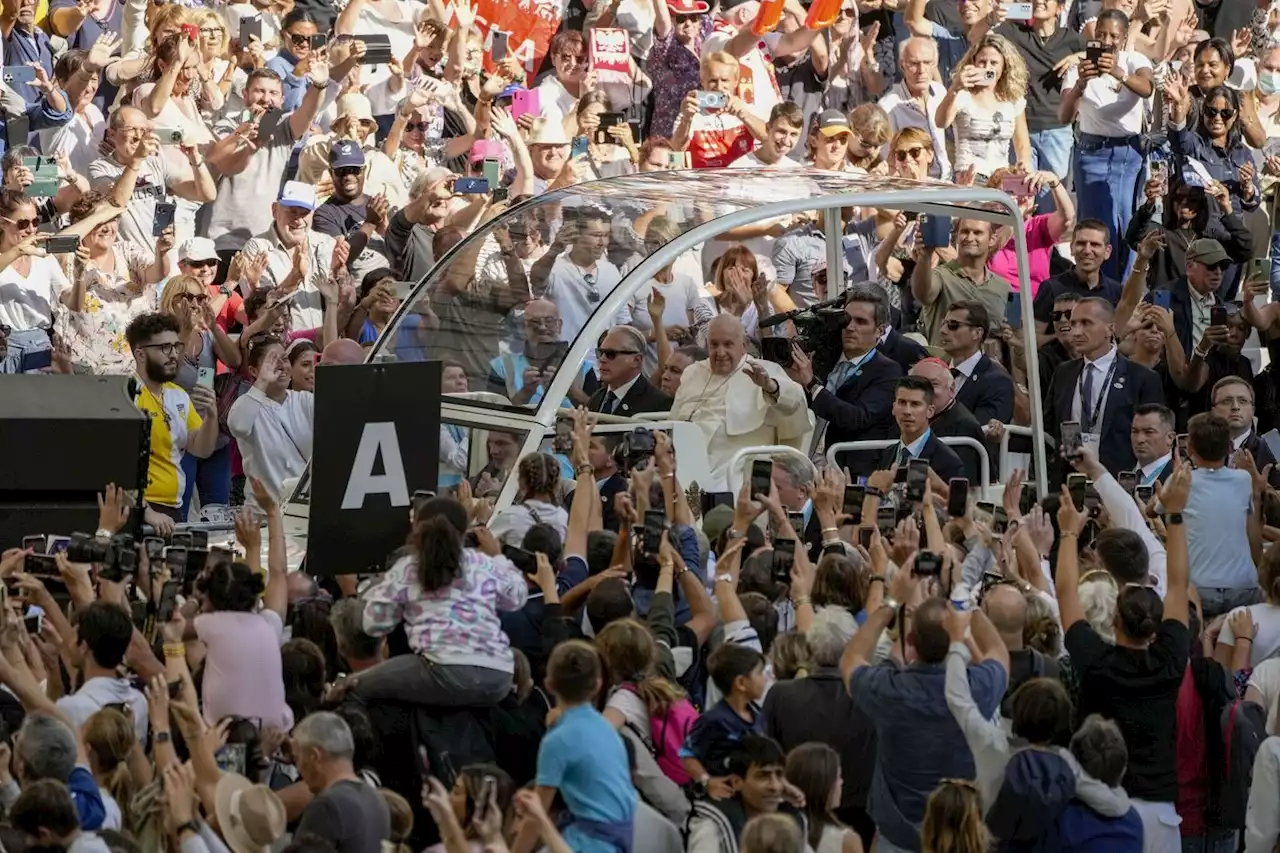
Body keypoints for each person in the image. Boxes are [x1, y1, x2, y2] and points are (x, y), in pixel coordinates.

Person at [1057, 454, 1192, 852]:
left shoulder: (1097, 662)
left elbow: (1066, 593)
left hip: (1101, 806)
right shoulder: (1171, 661)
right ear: (1157, 625)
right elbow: (1181, 586)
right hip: (1159, 813)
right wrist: (1176, 516)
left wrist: (1068, 534)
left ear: (1113, 617)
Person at [358, 496, 528, 707]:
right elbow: (518, 597)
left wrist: (386, 595)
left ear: (416, 529)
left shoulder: (408, 568)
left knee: (354, 688)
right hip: (498, 676)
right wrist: (498, 557)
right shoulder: (484, 563)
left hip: (443, 670)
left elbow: (373, 624)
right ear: (465, 531)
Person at [1057, 9, 1153, 279]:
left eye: (1113, 35)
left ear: (1123, 39)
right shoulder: (1079, 68)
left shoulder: (1134, 61)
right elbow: (1064, 115)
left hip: (1128, 155)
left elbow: (1147, 88)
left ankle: (1124, 290)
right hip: (1092, 154)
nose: (1106, 39)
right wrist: (1080, 85)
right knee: (1096, 225)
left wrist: (1116, 72)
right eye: (1101, 34)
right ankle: (1095, 286)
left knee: (1125, 223)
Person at [524, 640, 636, 853]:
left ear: (548, 685)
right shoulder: (609, 731)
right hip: (621, 840)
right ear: (597, 684)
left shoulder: (557, 740)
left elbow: (535, 814)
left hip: (590, 843)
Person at [670, 314, 810, 481]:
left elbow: (796, 402)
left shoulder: (764, 370)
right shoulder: (693, 372)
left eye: (728, 344)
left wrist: (770, 387)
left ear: (744, 345)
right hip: (687, 461)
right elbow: (674, 421)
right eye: (714, 345)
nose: (720, 353)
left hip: (739, 466)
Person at [785, 286, 901, 478]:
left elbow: (857, 418)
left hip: (844, 468)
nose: (850, 327)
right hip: (802, 457)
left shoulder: (888, 370)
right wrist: (787, 384)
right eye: (846, 319)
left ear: (879, 331)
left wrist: (812, 384)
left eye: (861, 322)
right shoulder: (823, 358)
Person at [1043, 297, 1164, 480]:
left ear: (1110, 328)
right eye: (1073, 324)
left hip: (1118, 482)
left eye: (1086, 323)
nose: (1076, 331)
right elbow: (1048, 425)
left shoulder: (1141, 378)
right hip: (1069, 481)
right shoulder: (1063, 373)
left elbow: (1153, 438)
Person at [125, 311, 218, 529]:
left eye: (176, 346)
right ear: (140, 354)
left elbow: (201, 449)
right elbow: (114, 466)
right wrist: (145, 511)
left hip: (172, 509)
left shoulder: (178, 394)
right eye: (164, 348)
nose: (174, 354)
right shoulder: (126, 395)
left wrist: (212, 416)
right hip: (138, 512)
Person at [1183, 412, 1263, 619]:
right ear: (1229, 447)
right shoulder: (1244, 479)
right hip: (1244, 587)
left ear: (1189, 448)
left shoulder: (1181, 480)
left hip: (1198, 588)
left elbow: (1151, 510)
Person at [228, 336, 315, 511]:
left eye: (284, 359)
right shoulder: (247, 403)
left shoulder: (305, 400)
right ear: (253, 370)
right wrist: (263, 381)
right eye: (272, 361)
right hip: (263, 515)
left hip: (302, 512)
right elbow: (237, 426)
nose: (282, 366)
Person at [293, 712, 392, 853]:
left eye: (298, 758)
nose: (298, 768)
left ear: (314, 756)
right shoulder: (377, 799)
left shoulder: (327, 806)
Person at [688, 736, 805, 853]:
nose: (775, 786)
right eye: (763, 776)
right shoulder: (712, 825)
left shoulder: (792, 819)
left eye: (779, 775)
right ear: (737, 782)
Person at [911, 218, 1012, 349]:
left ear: (992, 239)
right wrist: (925, 257)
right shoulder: (941, 276)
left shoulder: (1003, 287)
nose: (970, 238)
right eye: (964, 232)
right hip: (948, 366)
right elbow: (923, 295)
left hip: (989, 366)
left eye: (977, 233)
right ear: (956, 237)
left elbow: (1012, 334)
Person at [56, 602, 146, 742]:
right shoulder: (140, 701)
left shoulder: (71, 708)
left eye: (73, 636)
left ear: (84, 647)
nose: (69, 643)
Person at [1033, 221, 1125, 335]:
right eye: (1081, 243)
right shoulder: (1051, 288)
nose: (1087, 250)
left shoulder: (1117, 292)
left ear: (1107, 251)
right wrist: (1064, 336)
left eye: (1095, 244)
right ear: (1072, 248)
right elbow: (1034, 340)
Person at [877, 37, 950, 180]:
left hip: (946, 182)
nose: (921, 70)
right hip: (912, 186)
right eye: (914, 64)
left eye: (927, 63)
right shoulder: (888, 106)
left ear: (935, 64)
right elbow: (888, 160)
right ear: (902, 65)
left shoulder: (940, 92)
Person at [909, 359, 987, 485]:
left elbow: (962, 486)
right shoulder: (907, 419)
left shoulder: (964, 426)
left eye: (933, 384)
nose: (925, 392)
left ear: (951, 389)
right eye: (918, 384)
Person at [938, 300, 1013, 429]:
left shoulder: (996, 381)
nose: (943, 331)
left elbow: (978, 432)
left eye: (953, 325)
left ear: (977, 333)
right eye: (943, 324)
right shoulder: (936, 373)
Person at [876, 376, 966, 483]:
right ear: (894, 408)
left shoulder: (948, 461)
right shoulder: (887, 454)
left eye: (915, 404)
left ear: (930, 411)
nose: (907, 411)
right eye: (902, 403)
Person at [784, 742, 864, 853]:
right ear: (823, 786)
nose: (841, 782)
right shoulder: (846, 840)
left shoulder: (775, 830)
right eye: (838, 777)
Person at [588, 325, 674, 416]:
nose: (602, 359)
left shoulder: (659, 404)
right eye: (600, 353)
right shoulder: (597, 398)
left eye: (610, 354)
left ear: (636, 360)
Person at [1130, 403, 1177, 485]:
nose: (1139, 439)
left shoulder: (1182, 479)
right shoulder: (1120, 473)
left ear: (1170, 438)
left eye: (1149, 432)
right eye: (1135, 431)